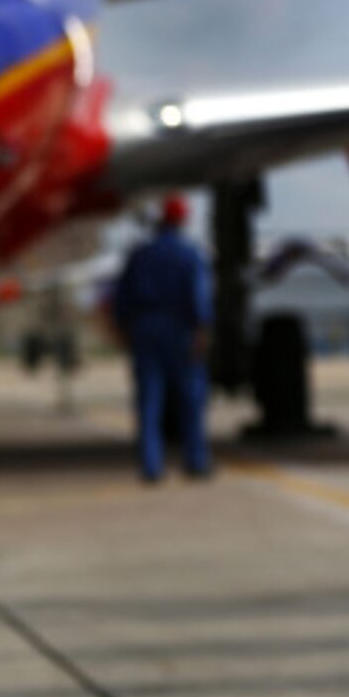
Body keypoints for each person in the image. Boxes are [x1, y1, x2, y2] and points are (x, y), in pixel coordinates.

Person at [113, 195, 214, 483]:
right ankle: (195, 461)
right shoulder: (189, 254)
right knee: (190, 399)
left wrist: (124, 331)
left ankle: (151, 466)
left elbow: (122, 297)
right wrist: (202, 329)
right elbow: (199, 296)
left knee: (148, 400)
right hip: (180, 329)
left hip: (144, 328)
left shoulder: (140, 254)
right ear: (183, 220)